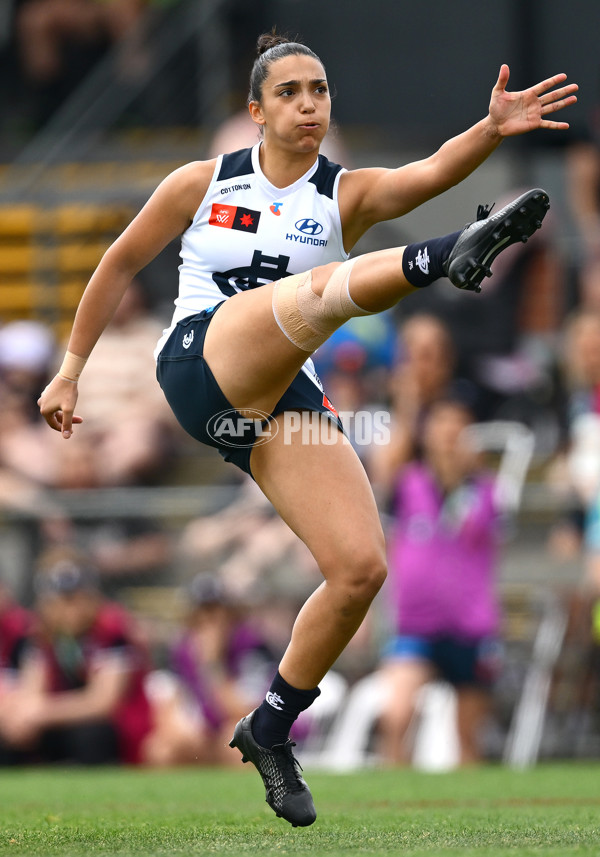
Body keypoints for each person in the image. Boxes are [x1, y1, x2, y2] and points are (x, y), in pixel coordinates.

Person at [38, 31, 577, 825]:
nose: (308, 104)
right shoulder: (203, 181)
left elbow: (428, 172)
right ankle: (441, 260)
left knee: (360, 566)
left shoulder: (344, 192)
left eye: (319, 90)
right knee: (317, 291)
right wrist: (70, 366)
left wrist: (491, 130)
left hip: (282, 396)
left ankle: (270, 723)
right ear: (255, 109)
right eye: (288, 92)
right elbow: (118, 262)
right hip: (198, 366)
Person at [375, 396, 502, 767]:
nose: (448, 436)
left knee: (468, 734)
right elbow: (382, 467)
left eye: (457, 428)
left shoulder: (488, 491)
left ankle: (476, 821)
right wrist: (408, 401)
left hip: (471, 627)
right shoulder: (407, 484)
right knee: (395, 716)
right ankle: (393, 807)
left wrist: (462, 475)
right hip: (415, 624)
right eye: (441, 427)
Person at [0, 547, 154, 765]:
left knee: (92, 734)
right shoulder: (42, 633)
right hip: (61, 720)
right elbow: (32, 690)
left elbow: (103, 702)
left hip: (115, 727)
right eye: (62, 599)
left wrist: (42, 712)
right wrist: (20, 716)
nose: (70, 609)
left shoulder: (111, 628)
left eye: (75, 597)